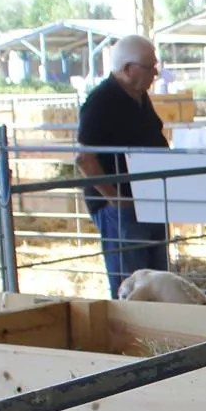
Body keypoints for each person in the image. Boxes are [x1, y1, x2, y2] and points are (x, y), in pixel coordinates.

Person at [76, 34, 171, 297]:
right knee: (132, 283)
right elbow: (85, 157)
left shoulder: (139, 98)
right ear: (128, 69)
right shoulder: (100, 102)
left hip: (148, 200)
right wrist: (114, 199)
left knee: (158, 279)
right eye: (150, 66)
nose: (155, 72)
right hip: (124, 207)